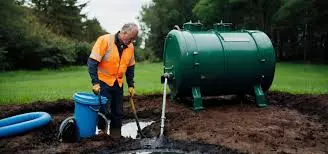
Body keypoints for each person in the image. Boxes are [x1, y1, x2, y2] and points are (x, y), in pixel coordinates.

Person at [87, 23, 138, 138]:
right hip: (103, 83)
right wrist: (95, 82)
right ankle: (101, 134)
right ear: (123, 32)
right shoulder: (105, 40)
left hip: (118, 84)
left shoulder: (130, 47)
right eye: (130, 38)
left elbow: (130, 67)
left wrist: (131, 84)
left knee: (118, 112)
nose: (131, 41)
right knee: (103, 110)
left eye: (133, 40)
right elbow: (92, 62)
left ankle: (116, 136)